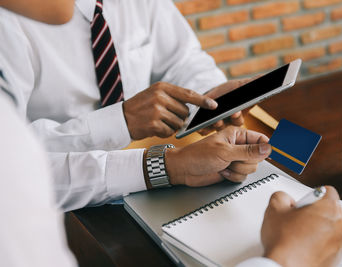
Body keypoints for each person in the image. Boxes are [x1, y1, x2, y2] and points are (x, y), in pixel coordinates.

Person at [0, 0, 251, 211]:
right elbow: (14, 158)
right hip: (62, 204)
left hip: (154, 170)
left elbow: (183, 59)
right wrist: (121, 122)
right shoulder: (10, 21)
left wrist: (208, 96)